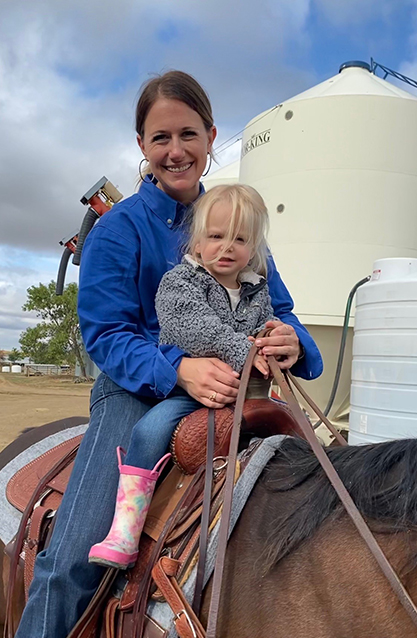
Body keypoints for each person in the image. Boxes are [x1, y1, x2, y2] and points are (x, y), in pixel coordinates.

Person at [0, 70, 323, 638]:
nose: (176, 149)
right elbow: (107, 335)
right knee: (71, 562)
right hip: (136, 393)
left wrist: (296, 340)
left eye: (188, 134)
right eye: (160, 136)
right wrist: (177, 367)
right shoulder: (121, 232)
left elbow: (276, 307)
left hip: (234, 387)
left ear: (210, 137)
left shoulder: (238, 220)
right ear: (141, 143)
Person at [88, 183, 282, 569]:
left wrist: (274, 339)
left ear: (253, 249)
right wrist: (244, 349)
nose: (226, 247)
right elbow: (191, 329)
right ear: (196, 244)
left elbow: (266, 324)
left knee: (292, 434)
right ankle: (125, 529)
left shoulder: (257, 291)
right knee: (148, 430)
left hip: (247, 394)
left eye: (239, 239)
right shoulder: (180, 283)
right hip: (189, 391)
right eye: (215, 236)